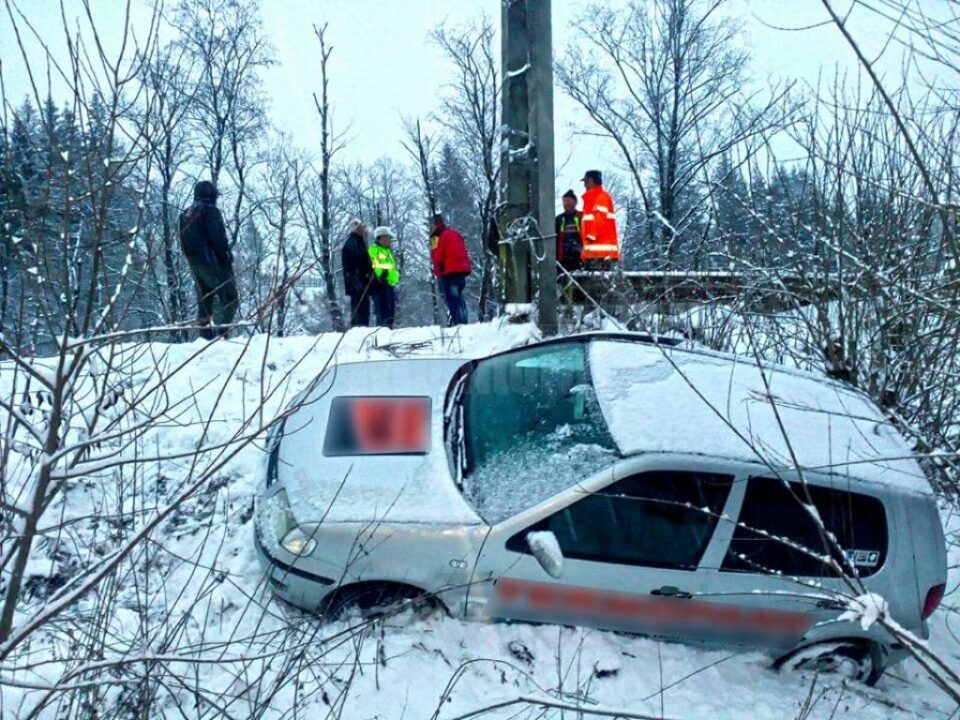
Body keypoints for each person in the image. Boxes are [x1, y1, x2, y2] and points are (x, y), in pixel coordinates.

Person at [178, 180, 238, 340]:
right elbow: (218, 238)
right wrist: (226, 257)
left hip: (195, 263)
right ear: (211, 195)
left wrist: (192, 260)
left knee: (205, 298)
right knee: (229, 296)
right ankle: (220, 334)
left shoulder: (184, 214)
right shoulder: (210, 211)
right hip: (213, 262)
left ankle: (204, 337)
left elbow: (182, 241)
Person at [430, 213, 472, 326]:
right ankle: (464, 322)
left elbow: (436, 256)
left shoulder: (435, 237)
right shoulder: (454, 233)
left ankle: (459, 324)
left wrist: (439, 274)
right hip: (461, 272)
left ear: (434, 224)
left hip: (448, 273)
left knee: (452, 300)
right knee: (459, 299)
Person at [580, 170, 620, 264]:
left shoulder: (601, 197)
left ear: (591, 180)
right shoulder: (593, 198)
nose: (584, 185)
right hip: (595, 251)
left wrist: (591, 235)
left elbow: (600, 217)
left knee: (597, 277)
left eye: (586, 181)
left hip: (600, 251)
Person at [341, 218, 374, 327]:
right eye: (362, 227)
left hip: (358, 281)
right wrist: (369, 270)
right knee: (360, 310)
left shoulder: (358, 241)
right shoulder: (354, 242)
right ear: (357, 229)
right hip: (357, 282)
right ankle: (359, 331)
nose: (365, 230)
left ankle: (360, 328)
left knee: (362, 309)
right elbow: (360, 261)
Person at [369, 226, 399, 329]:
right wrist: (380, 275)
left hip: (389, 285)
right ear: (381, 238)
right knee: (382, 312)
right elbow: (373, 266)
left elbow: (391, 268)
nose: (390, 240)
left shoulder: (387, 251)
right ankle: (382, 334)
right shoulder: (374, 250)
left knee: (390, 313)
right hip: (379, 285)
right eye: (388, 238)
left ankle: (388, 331)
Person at [555, 189, 583, 273]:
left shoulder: (581, 216)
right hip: (563, 259)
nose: (566, 203)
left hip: (579, 258)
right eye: (564, 201)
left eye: (568, 201)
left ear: (575, 202)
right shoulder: (559, 219)